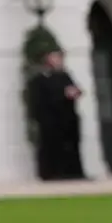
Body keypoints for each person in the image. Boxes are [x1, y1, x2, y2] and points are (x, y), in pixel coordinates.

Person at [27, 49, 85, 180]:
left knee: (72, 147)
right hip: (51, 121)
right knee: (51, 147)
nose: (59, 61)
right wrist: (63, 95)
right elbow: (40, 101)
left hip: (68, 119)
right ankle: (52, 173)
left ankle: (74, 172)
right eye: (56, 58)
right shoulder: (40, 79)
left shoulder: (65, 76)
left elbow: (73, 89)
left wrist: (75, 92)